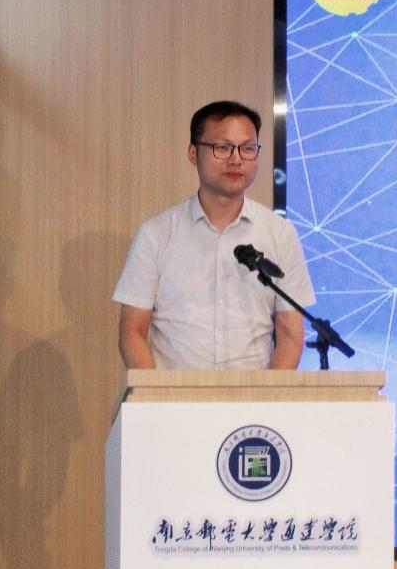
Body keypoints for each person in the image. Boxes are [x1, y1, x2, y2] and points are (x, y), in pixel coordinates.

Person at [112, 100, 315, 369]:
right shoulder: (156, 234)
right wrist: (155, 392)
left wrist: (272, 394)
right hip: (175, 393)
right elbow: (132, 332)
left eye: (247, 148)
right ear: (193, 153)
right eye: (222, 147)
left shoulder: (280, 234)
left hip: (254, 394)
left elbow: (290, 332)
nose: (236, 159)